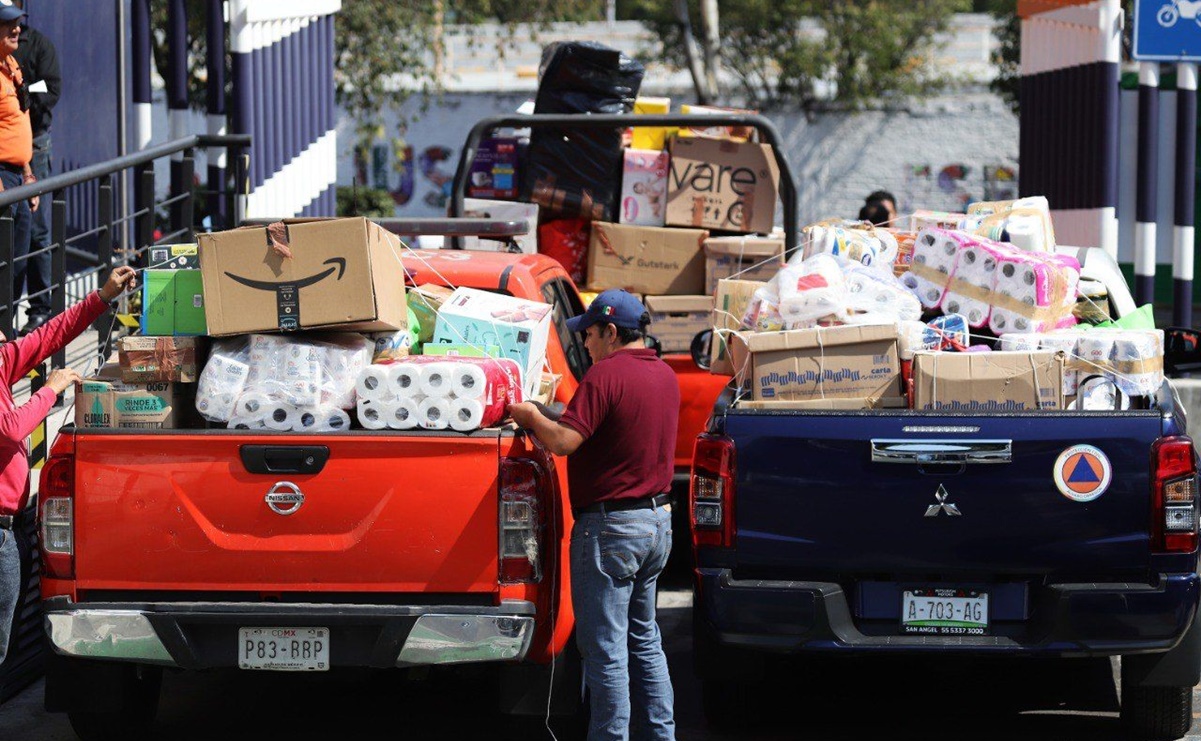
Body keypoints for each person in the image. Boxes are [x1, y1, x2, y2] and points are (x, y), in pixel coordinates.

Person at [508, 289, 677, 741]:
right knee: (645, 640)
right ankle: (662, 734)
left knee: (604, 651)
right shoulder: (665, 374)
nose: (586, 344)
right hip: (657, 523)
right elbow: (605, 427)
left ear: (611, 331)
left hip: (611, 530)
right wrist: (551, 416)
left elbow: (564, 442)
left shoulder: (604, 376)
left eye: (590, 335)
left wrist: (528, 416)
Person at [0, 265, 137, 666]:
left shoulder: (3, 363)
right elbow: (11, 429)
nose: (7, 339)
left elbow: (49, 335)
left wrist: (103, 296)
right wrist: (50, 389)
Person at [12, 0, 60, 336]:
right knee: (12, 230)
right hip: (9, 148)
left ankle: (41, 308)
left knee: (38, 230)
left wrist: (25, 91)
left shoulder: (37, 44)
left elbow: (52, 85)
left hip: (35, 144)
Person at [0, 2, 37, 339]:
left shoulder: (11, 65)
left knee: (18, 264)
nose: (16, 30)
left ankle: (6, 337)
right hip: (1, 179)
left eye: (18, 25)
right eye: (8, 25)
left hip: (18, 178)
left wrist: (28, 174)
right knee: (4, 262)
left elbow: (20, 122)